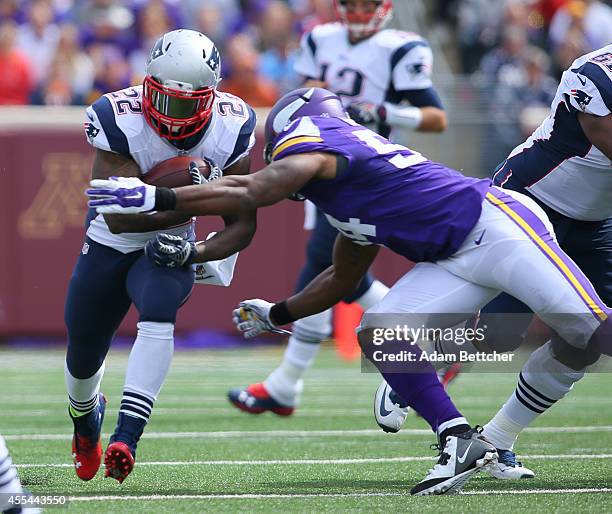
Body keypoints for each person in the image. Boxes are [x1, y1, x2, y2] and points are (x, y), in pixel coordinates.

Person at [86, 87, 611, 494]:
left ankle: (493, 431)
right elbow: (341, 278)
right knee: (379, 329)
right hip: (457, 256)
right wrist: (278, 313)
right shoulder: (346, 193)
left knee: (593, 330)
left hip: (496, 227)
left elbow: (255, 188)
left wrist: (158, 193)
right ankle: (457, 438)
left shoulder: (315, 136)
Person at [380, 43, 612, 479]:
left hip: (594, 221)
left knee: (588, 340)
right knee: (499, 332)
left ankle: (498, 439)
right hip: (528, 201)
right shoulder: (598, 74)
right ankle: (412, 368)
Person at [228, 0, 449, 420]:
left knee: (333, 274)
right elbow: (305, 98)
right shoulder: (320, 38)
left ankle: (288, 383)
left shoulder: (402, 47)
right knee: (332, 274)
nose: (360, 12)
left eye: (368, 4)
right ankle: (285, 384)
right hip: (326, 163)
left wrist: (384, 111)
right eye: (352, 4)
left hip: (368, 171)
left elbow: (437, 118)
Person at [65, 28, 257, 484]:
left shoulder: (234, 125)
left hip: (171, 241)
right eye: (167, 100)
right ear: (148, 86)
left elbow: (244, 224)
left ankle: (126, 438)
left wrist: (196, 250)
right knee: (83, 351)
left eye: (189, 104)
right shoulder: (117, 115)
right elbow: (117, 218)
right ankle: (85, 422)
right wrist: (179, 190)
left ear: (211, 98)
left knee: (159, 310)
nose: (175, 115)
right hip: (112, 243)